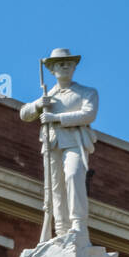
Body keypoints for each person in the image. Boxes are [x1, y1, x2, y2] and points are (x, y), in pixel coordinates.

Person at [20, 47, 98, 242]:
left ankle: (78, 224)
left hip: (75, 142)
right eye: (60, 63)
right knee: (55, 187)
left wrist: (56, 117)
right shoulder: (48, 95)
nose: (65, 66)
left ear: (73, 68)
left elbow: (88, 114)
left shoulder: (86, 93)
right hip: (51, 144)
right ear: (52, 70)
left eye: (69, 63)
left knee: (73, 175)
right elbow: (24, 113)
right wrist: (38, 105)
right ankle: (61, 230)